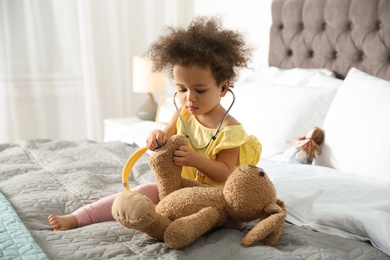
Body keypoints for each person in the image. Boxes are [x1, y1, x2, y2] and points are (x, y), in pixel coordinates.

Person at [48, 16, 262, 231]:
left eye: (200, 90)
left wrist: (195, 160)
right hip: (179, 190)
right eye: (181, 89)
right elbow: (165, 138)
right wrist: (156, 137)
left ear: (223, 88)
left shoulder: (230, 130)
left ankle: (175, 224)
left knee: (234, 221)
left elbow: (225, 173)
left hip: (212, 196)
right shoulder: (184, 115)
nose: (190, 98)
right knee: (143, 192)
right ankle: (81, 217)